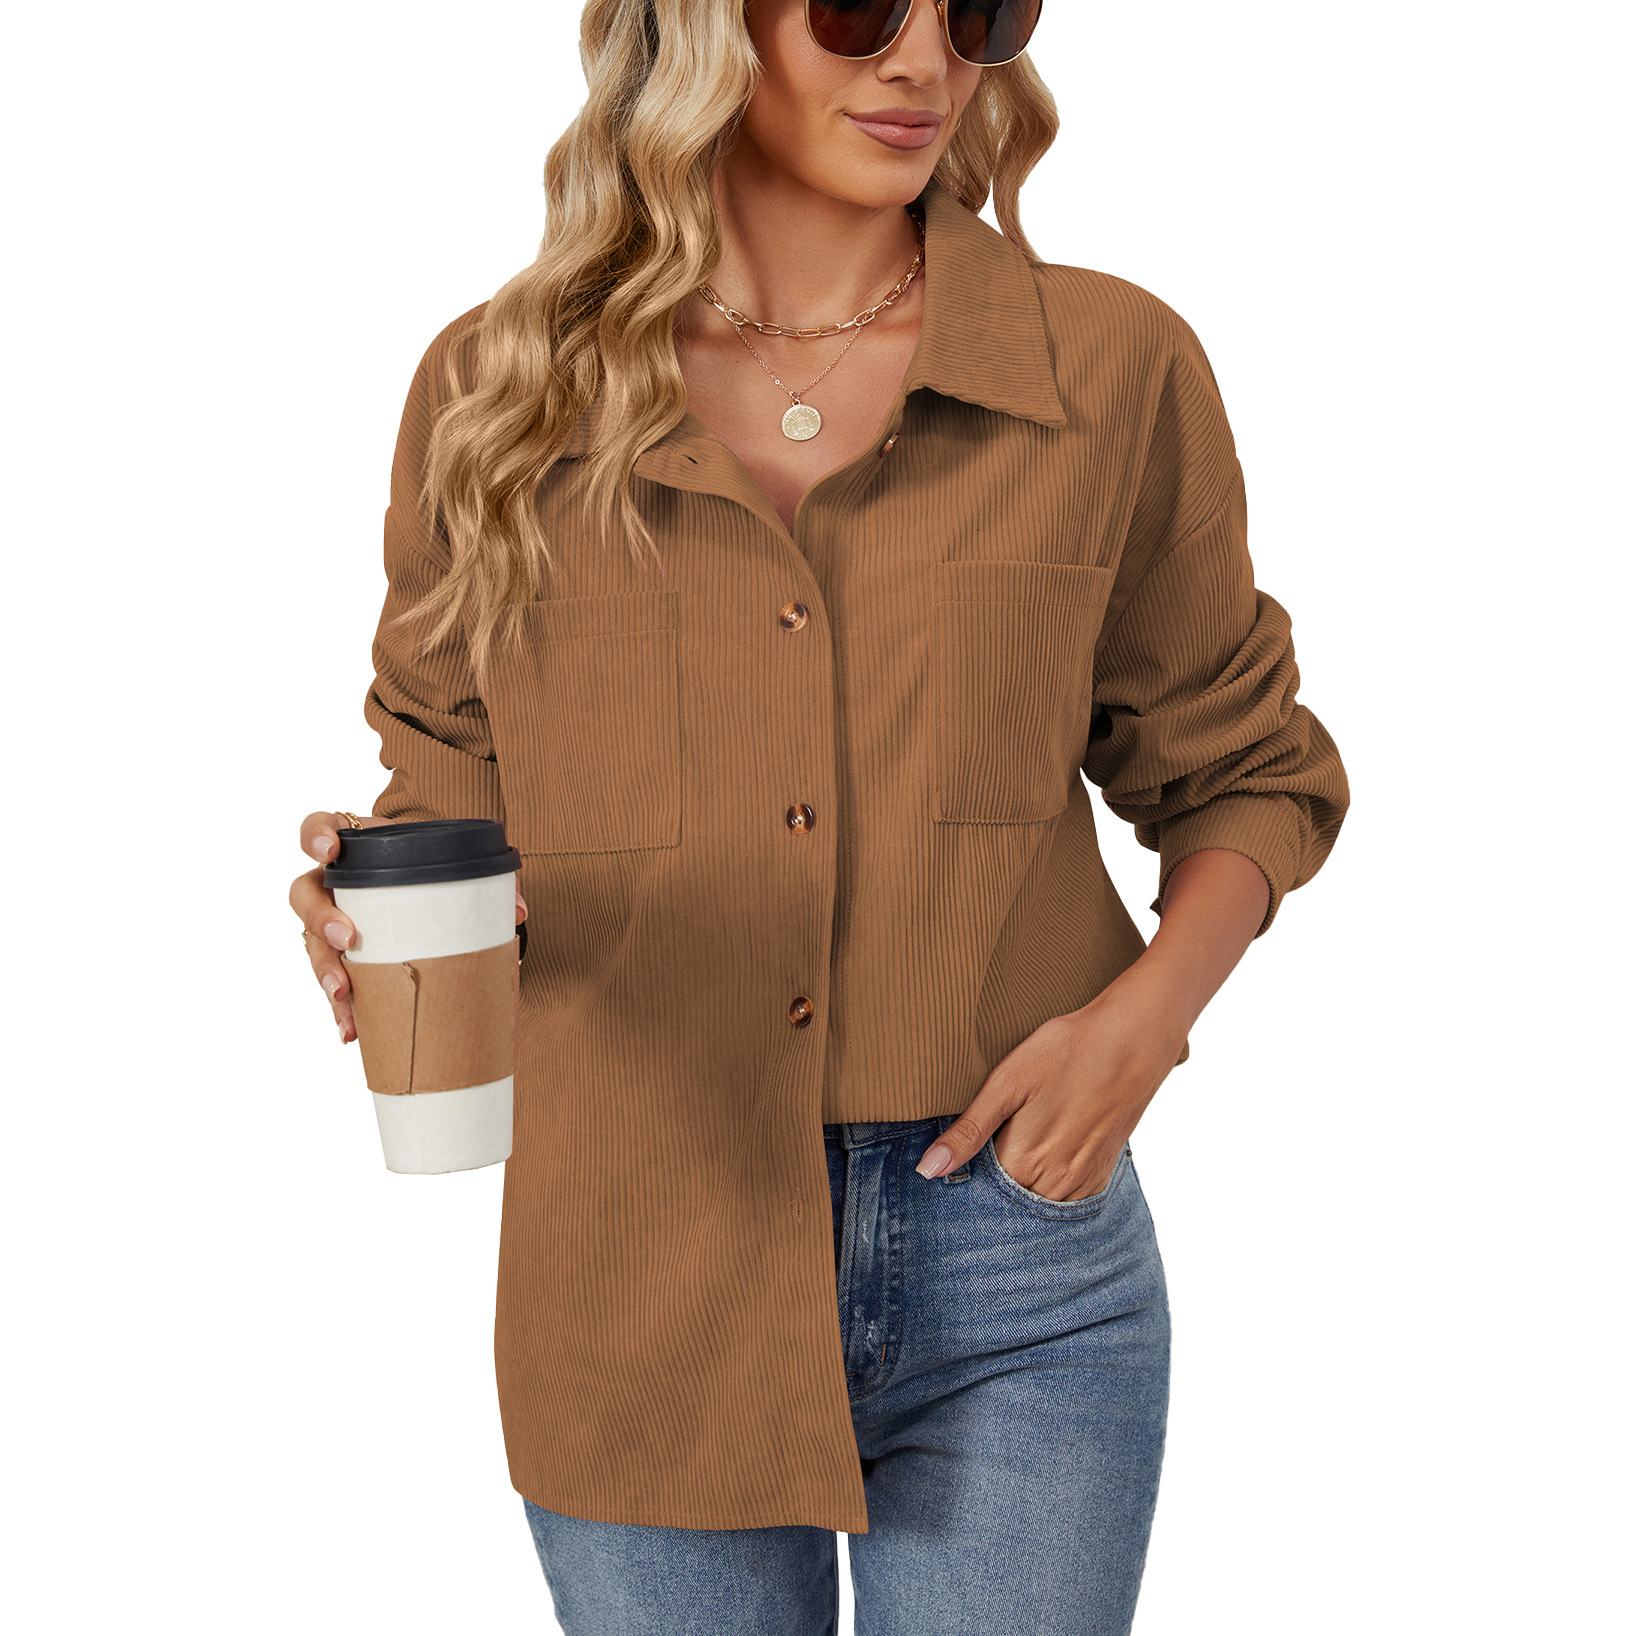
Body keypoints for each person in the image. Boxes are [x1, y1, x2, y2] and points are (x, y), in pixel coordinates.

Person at [289, 1, 1350, 1630]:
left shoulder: (1111, 368)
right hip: (639, 1246)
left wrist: (1142, 1028)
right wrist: (379, 913)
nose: (926, 64)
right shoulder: (500, 392)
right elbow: (449, 792)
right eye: (858, 9)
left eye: (977, 11)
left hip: (1019, 1247)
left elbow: (1244, 768)